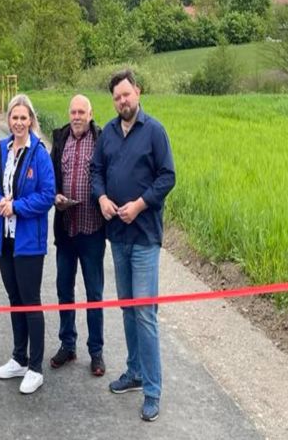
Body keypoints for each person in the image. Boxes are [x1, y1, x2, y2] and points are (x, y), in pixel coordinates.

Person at [90, 69, 175, 422]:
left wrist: (140, 204)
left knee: (145, 313)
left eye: (126, 94)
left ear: (137, 92)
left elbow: (167, 176)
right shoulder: (108, 134)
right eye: (117, 97)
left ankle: (152, 390)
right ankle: (135, 371)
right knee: (127, 308)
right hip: (118, 236)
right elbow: (96, 171)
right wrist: (102, 198)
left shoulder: (154, 131)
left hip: (144, 236)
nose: (122, 101)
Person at [0, 94, 55, 395]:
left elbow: (47, 195)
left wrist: (17, 207)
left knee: (30, 300)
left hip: (29, 242)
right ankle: (19, 357)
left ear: (31, 120)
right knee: (14, 298)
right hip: (6, 239)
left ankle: (35, 368)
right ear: (9, 120)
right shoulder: (3, 150)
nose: (18, 122)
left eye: (23, 118)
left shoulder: (39, 153)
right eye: (14, 117)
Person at [49, 94, 106, 376]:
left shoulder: (101, 140)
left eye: (82, 112)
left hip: (92, 229)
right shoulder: (61, 140)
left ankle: (96, 352)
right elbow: (51, 179)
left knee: (94, 293)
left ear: (90, 114)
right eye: (73, 112)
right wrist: (55, 196)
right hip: (66, 229)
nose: (77, 117)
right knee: (64, 289)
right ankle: (67, 344)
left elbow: (107, 176)